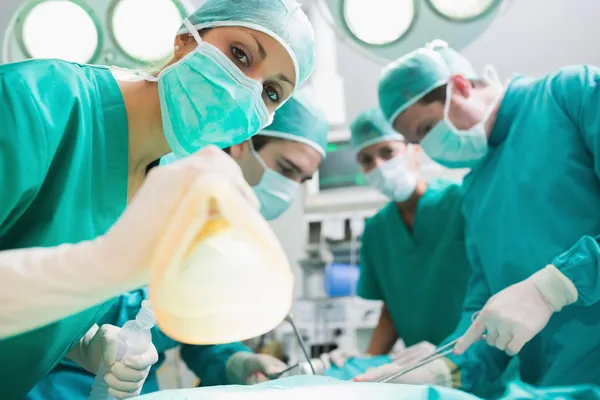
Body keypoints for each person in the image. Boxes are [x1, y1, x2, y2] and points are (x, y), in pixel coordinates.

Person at [0, 0, 316, 397]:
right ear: (185, 39)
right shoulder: (31, 103)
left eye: (272, 91)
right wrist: (97, 266)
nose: (248, 88)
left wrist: (83, 344)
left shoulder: (168, 181)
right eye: (240, 54)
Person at [27, 93, 329, 398]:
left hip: (134, 387)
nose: (290, 188)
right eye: (287, 168)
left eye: (302, 180)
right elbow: (46, 296)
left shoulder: (220, 228)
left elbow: (195, 326)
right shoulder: (148, 186)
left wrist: (237, 361)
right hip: (46, 384)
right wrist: (89, 344)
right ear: (242, 144)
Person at [357, 40, 600, 393]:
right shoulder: (475, 190)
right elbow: (482, 309)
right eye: (417, 140)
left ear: (461, 85)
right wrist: (445, 367)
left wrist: (557, 285)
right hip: (553, 386)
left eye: (425, 129)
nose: (427, 147)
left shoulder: (569, 95)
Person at [320, 108, 470, 385]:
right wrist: (367, 361)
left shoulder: (461, 202)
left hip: (473, 356)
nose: (377, 166)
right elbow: (392, 309)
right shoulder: (377, 229)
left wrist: (457, 350)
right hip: (422, 369)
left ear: (414, 150)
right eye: (366, 160)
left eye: (387, 153)